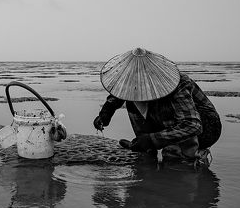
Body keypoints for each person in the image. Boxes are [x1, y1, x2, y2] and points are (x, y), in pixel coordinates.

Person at [92, 47, 221, 164]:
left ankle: (191, 155)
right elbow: (118, 95)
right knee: (132, 103)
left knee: (173, 158)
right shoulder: (129, 84)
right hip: (168, 123)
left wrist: (152, 139)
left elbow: (192, 125)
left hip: (206, 128)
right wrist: (105, 115)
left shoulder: (179, 83)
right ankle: (144, 147)